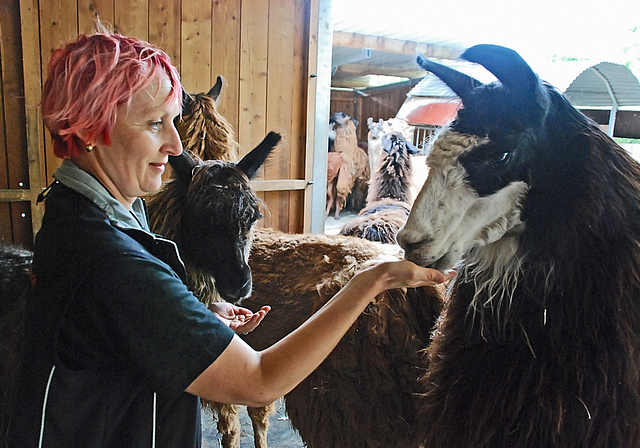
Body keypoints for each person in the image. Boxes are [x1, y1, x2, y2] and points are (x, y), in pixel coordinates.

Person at [9, 30, 451, 448]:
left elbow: (119, 326)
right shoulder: (113, 264)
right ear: (88, 131)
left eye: (173, 121)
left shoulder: (73, 210)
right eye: (152, 124)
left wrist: (191, 311)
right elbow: (260, 382)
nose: (176, 144)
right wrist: (369, 282)